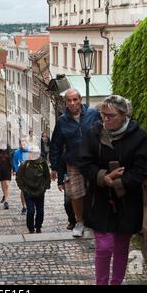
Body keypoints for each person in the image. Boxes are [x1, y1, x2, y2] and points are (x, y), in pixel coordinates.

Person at [77, 95, 147, 285]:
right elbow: (84, 163)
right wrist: (104, 177)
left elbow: (142, 170)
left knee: (121, 246)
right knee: (104, 246)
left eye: (110, 116)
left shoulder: (139, 137)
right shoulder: (93, 133)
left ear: (124, 115)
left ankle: (116, 282)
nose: (105, 119)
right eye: (103, 115)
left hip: (127, 200)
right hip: (100, 199)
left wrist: (118, 182)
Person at [49, 88, 101, 237]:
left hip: (93, 161)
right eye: (68, 100)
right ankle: (79, 222)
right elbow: (56, 146)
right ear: (65, 102)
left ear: (80, 99)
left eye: (75, 100)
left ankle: (95, 219)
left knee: (95, 191)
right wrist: (54, 167)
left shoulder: (93, 114)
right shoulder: (62, 121)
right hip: (73, 162)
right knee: (76, 194)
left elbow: (102, 134)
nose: (72, 103)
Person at [16, 144, 51, 234]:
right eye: (31, 153)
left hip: (40, 191)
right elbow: (19, 177)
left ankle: (38, 226)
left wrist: (45, 187)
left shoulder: (43, 163)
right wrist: (23, 188)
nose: (33, 155)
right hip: (28, 191)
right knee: (30, 210)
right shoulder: (25, 164)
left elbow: (47, 176)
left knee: (40, 211)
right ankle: (30, 227)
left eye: (35, 153)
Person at [0, 140, 14, 210]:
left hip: (8, 168)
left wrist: (13, 168)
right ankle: (4, 194)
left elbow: (12, 160)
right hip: (0, 169)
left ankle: (6, 201)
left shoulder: (10, 151)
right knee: (3, 183)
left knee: (7, 184)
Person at [13, 136, 30, 215]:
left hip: (31, 174)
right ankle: (24, 207)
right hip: (22, 174)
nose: (23, 144)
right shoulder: (17, 153)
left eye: (25, 143)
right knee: (23, 190)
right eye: (21, 143)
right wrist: (17, 171)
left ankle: (31, 205)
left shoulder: (31, 151)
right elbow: (15, 163)